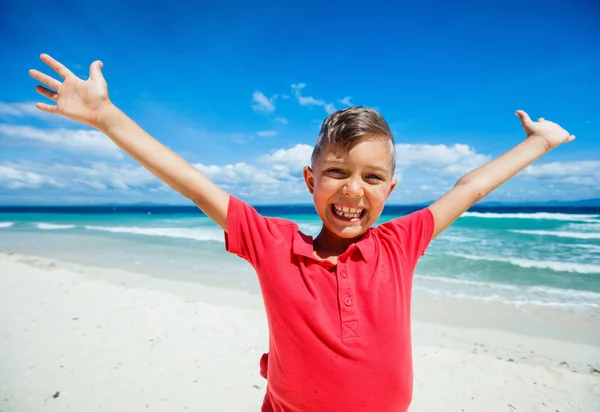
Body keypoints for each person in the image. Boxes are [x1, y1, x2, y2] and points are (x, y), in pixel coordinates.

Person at [29, 54, 575, 412]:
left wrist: (539, 143)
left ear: (390, 188)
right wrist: (107, 117)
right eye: (337, 172)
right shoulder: (273, 245)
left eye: (372, 177)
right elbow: (195, 185)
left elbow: (469, 188)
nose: (354, 190)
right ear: (311, 179)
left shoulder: (399, 244)